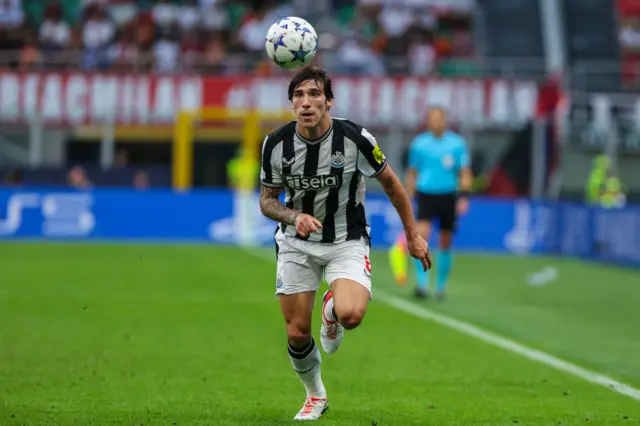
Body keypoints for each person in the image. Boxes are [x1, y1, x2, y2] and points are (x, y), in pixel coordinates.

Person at [259, 66, 432, 421]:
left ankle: (331, 310)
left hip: (346, 239)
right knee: (296, 333)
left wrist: (412, 235)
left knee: (351, 315)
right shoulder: (275, 144)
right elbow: (267, 200)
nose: (306, 103)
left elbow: (393, 185)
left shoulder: (355, 138)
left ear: (329, 101)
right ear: (292, 103)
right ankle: (315, 396)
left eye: (314, 95)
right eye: (298, 96)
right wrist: (294, 217)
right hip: (296, 242)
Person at [389, 106, 472, 300]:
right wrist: (408, 198)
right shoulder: (420, 144)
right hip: (426, 194)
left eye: (438, 118)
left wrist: (464, 196)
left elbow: (464, 171)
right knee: (422, 235)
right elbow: (412, 172)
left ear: (445, 120)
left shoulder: (456, 144)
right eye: (431, 118)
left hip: (448, 195)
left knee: (445, 241)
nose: (435, 122)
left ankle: (441, 286)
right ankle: (422, 284)